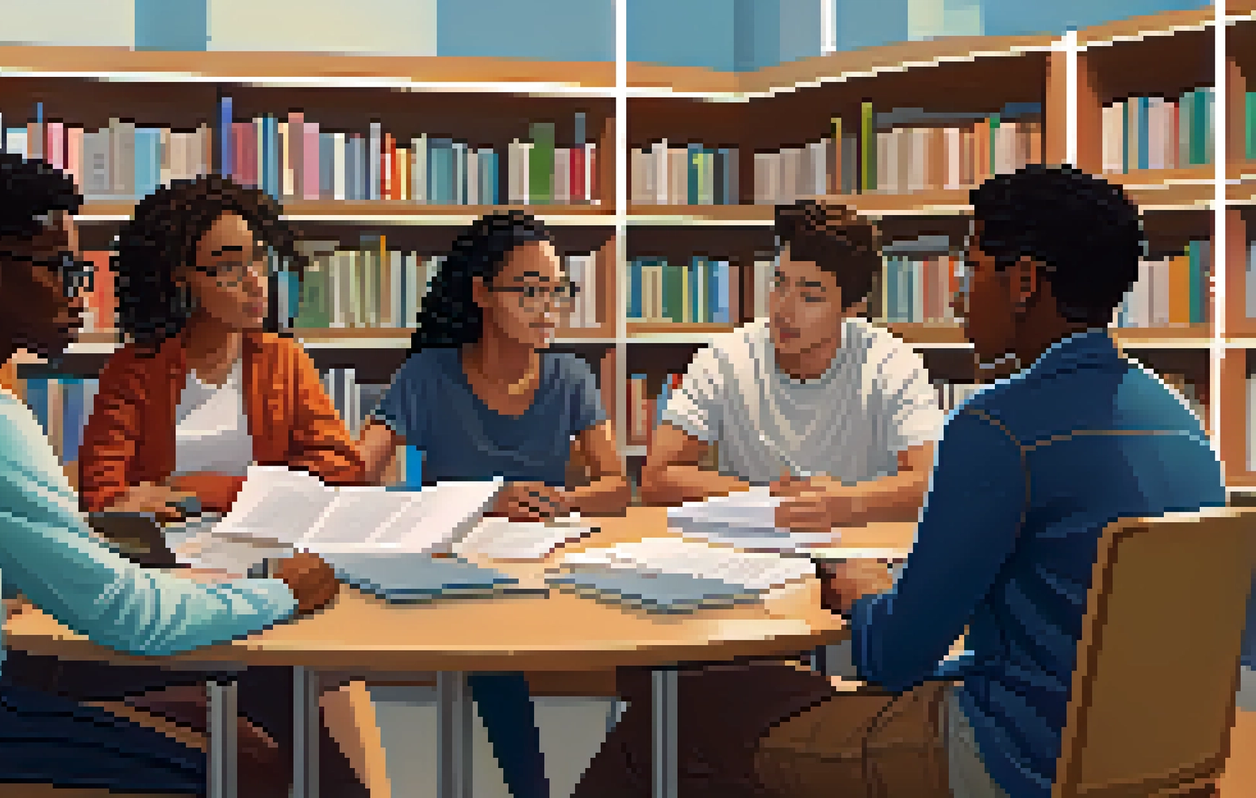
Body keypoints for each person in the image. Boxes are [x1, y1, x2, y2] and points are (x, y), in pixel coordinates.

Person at [572, 164, 1231, 798]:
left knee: (674, 713)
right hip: (1152, 763)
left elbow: (893, 658)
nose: (957, 293)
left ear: (1024, 281)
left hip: (1009, 761)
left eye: (972, 269)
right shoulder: (1181, 421)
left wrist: (864, 590)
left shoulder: (998, 428)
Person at [0, 153, 341, 797]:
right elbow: (130, 618)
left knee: (240, 712)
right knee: (248, 773)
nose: (81, 292)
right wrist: (280, 592)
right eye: (64, 270)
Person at [70, 174, 378, 797]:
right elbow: (102, 495)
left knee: (299, 700)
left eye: (258, 260)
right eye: (228, 267)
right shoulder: (136, 368)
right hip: (169, 576)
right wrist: (261, 484)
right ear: (182, 277)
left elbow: (342, 467)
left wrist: (198, 488)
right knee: (284, 705)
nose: (254, 282)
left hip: (261, 559)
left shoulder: (282, 360)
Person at [355, 210, 630, 798]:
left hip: (548, 556)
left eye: (558, 291)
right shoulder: (429, 375)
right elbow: (357, 475)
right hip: (456, 564)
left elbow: (615, 485)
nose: (547, 308)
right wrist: (483, 501)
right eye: (530, 291)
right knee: (488, 649)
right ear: (481, 293)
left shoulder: (571, 377)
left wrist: (560, 503)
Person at [642, 200, 944, 532]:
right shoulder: (725, 357)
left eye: (810, 296)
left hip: (861, 550)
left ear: (853, 308)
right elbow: (657, 477)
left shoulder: (892, 363)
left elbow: (931, 480)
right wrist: (770, 502)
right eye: (779, 283)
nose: (783, 309)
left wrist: (844, 503)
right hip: (756, 549)